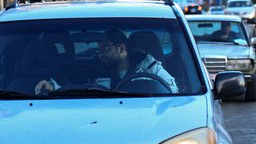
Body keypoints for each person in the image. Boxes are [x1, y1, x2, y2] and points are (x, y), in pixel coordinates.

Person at [35, 30, 178, 94]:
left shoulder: (148, 65)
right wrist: (53, 86)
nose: (100, 52)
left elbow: (172, 89)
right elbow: (79, 89)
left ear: (122, 48)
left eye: (106, 48)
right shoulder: (98, 67)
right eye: (99, 48)